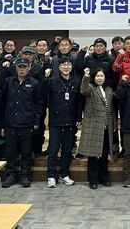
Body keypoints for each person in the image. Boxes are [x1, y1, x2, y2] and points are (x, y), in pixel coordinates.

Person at [40, 57, 83, 188]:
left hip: (70, 121)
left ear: (71, 67)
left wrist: (78, 118)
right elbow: (42, 93)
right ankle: (51, 176)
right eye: (63, 65)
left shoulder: (76, 82)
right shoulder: (52, 81)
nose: (66, 67)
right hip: (56, 121)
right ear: (59, 67)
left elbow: (79, 102)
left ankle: (64, 174)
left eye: (68, 64)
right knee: (53, 150)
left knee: (67, 151)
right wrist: (45, 78)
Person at [2, 58, 42, 188]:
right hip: (11, 123)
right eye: (19, 67)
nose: (22, 69)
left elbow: (38, 103)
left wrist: (37, 120)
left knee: (26, 152)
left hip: (27, 123)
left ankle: (25, 176)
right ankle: (10, 175)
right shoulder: (9, 81)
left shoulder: (34, 83)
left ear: (29, 68)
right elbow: (2, 101)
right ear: (16, 68)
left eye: (24, 67)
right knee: (10, 152)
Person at [79, 67, 115, 189]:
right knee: (93, 155)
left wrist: (113, 124)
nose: (99, 78)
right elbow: (83, 90)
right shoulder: (90, 87)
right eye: (97, 76)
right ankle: (92, 179)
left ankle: (104, 177)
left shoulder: (109, 90)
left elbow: (111, 109)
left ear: (105, 78)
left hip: (106, 126)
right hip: (93, 127)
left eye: (101, 76)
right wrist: (86, 76)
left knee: (104, 154)